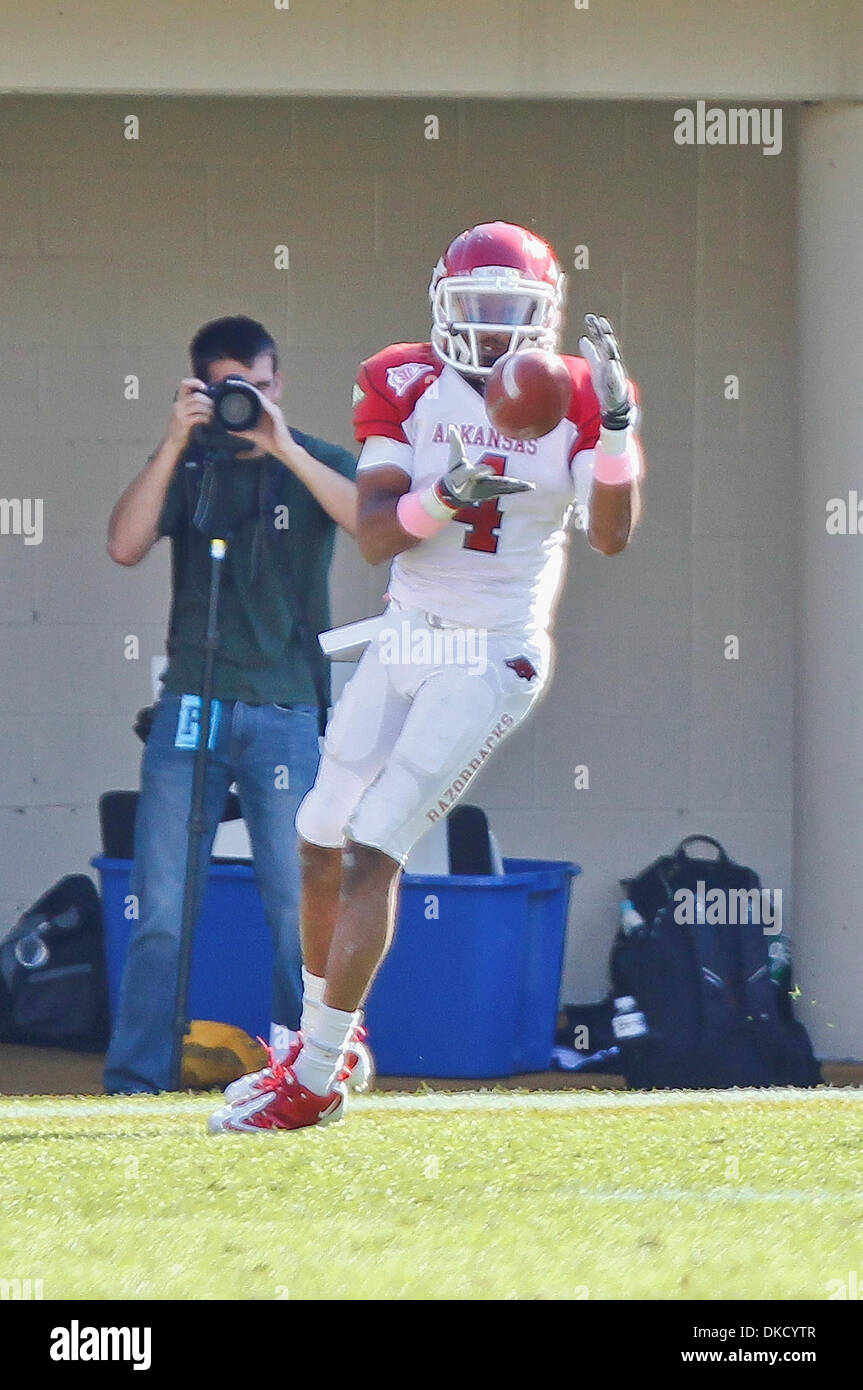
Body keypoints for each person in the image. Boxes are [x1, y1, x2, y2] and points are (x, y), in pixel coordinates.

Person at [209, 223, 645, 1134]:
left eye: (508, 311)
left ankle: (315, 1080)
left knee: (375, 843)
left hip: (491, 651)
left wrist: (616, 431)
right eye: (474, 307)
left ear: (542, 317)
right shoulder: (403, 377)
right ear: (444, 306)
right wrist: (448, 494)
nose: (488, 329)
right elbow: (375, 535)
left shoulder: (577, 395)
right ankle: (332, 1040)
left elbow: (611, 536)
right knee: (318, 832)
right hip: (408, 629)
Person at [104, 315, 358, 1094]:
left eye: (262, 386)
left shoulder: (314, 460)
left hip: (285, 711)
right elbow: (124, 544)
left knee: (296, 911)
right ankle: (136, 1082)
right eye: (232, 390)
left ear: (279, 384)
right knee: (162, 910)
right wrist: (173, 441)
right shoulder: (190, 466)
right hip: (193, 702)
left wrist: (282, 445)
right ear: (201, 390)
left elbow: (371, 524)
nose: (250, 401)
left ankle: (301, 1076)